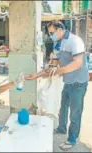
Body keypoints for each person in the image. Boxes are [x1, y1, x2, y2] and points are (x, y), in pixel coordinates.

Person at [25, 21, 89, 151]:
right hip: (68, 81)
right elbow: (53, 65)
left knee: (75, 112)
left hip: (78, 82)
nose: (51, 36)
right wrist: (36, 75)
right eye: (50, 33)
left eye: (52, 32)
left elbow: (77, 63)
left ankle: (72, 139)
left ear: (61, 29)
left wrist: (57, 71)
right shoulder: (58, 43)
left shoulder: (75, 41)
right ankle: (61, 127)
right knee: (63, 106)